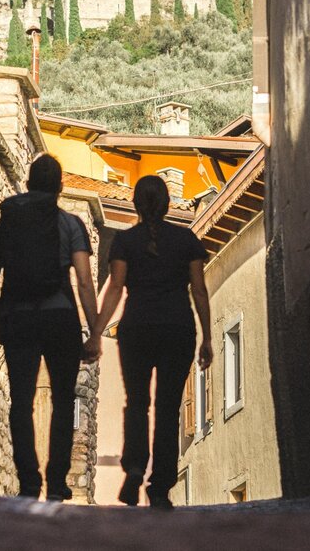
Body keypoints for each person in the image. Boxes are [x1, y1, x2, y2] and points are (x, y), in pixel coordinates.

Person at [85, 175, 212, 510]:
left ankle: (135, 467)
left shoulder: (125, 241)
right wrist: (208, 337)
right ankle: (160, 488)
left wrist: (96, 333)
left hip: (137, 328)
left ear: (136, 205)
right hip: (178, 328)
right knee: (168, 409)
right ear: (168, 204)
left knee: (137, 402)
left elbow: (115, 288)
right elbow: (199, 290)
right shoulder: (186, 241)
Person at [0, 154, 100, 501]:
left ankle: (29, 482)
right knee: (63, 400)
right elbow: (84, 282)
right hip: (60, 319)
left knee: (21, 401)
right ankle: (57, 482)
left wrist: (1, 319)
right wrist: (95, 332)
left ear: (28, 183)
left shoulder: (8, 222)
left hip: (18, 318)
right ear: (60, 188)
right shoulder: (71, 225)